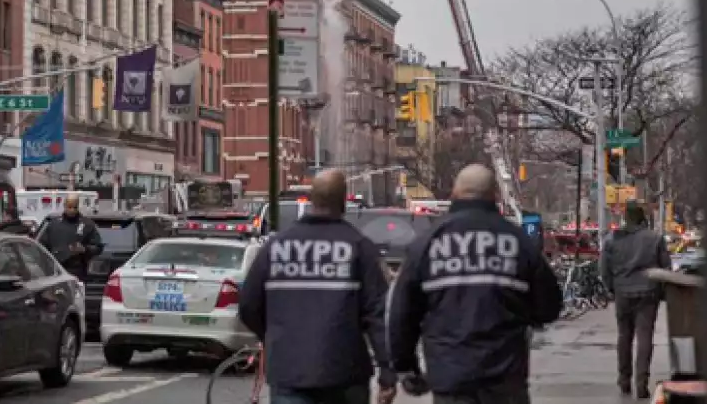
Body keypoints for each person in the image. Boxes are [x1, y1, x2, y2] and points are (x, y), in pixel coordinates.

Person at [387, 165, 563, 404]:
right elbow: (549, 306)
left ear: (454, 193)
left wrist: (405, 367)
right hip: (505, 379)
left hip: (450, 378)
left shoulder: (428, 242)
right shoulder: (517, 241)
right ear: (495, 196)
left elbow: (402, 313)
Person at [238, 170, 397, 404]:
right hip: (344, 373)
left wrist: (275, 336)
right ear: (343, 201)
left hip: (288, 370)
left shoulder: (276, 247)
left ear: (311, 200)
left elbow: (248, 305)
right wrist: (388, 373)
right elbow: (379, 316)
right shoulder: (359, 247)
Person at [600, 202, 671, 399]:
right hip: (648, 293)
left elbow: (604, 268)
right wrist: (662, 292)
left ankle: (624, 380)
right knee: (645, 337)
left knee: (624, 336)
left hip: (623, 292)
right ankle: (642, 382)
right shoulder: (655, 239)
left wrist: (612, 288)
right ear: (641, 217)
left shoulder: (612, 239)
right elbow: (666, 268)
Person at [38, 194, 103, 282]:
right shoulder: (53, 224)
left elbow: (98, 247)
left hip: (77, 270)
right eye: (69, 207)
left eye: (75, 207)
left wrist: (85, 249)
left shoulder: (87, 224)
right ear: (64, 206)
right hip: (55, 270)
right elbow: (41, 246)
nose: (72, 210)